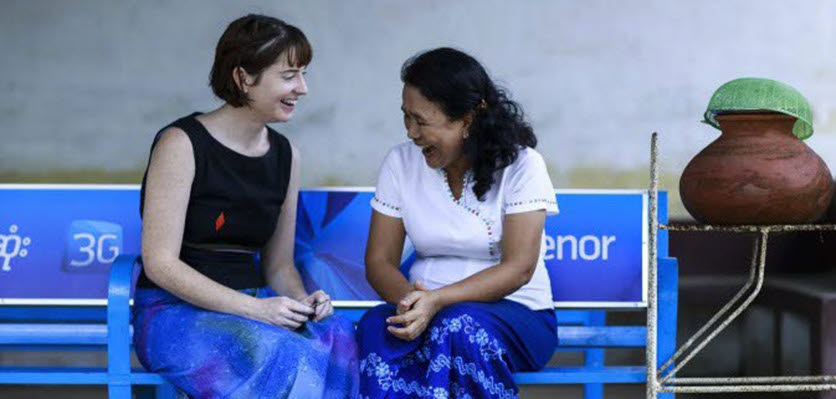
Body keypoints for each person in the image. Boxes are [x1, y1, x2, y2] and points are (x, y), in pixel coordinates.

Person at [132, 14, 357, 398]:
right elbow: (160, 263)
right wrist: (256, 311)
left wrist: (303, 302)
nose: (302, 88)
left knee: (339, 336)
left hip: (254, 308)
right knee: (275, 350)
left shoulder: (287, 155)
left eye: (303, 74)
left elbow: (279, 267)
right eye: (289, 75)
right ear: (243, 78)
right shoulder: (181, 143)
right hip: (175, 313)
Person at [356, 47, 559, 398]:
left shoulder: (523, 165)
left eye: (421, 120)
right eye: (406, 117)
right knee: (376, 325)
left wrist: (438, 301)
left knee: (458, 326)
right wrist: (413, 306)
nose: (410, 132)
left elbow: (520, 268)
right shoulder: (400, 163)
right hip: (425, 309)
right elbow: (379, 261)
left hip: (517, 314)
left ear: (468, 119)